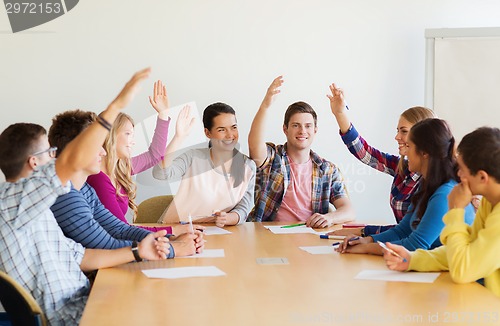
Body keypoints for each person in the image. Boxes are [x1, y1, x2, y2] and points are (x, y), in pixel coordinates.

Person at [0, 68, 170, 325]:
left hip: (85, 299)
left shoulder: (37, 209)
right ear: (34, 163)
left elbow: (82, 256)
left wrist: (139, 251)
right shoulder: (11, 202)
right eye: (50, 153)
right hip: (70, 316)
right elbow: (70, 159)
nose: (55, 157)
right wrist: (115, 107)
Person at [48, 109, 203, 255]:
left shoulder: (89, 188)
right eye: (128, 134)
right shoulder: (79, 190)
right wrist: (172, 246)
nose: (102, 151)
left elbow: (120, 229)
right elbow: (108, 243)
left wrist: (171, 239)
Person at [383, 127, 500, 297]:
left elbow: (462, 270)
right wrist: (412, 260)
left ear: (482, 178)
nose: (458, 174)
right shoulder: (490, 202)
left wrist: (456, 211)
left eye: (462, 170)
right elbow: (464, 250)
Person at [336, 118, 475, 255]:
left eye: (409, 146)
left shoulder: (445, 194)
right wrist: (367, 240)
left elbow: (415, 246)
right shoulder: (426, 185)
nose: (405, 152)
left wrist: (367, 248)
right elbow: (402, 230)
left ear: (425, 153)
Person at [326, 83, 436, 237]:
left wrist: (364, 232)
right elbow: (365, 153)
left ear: (422, 136)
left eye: (404, 131)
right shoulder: (403, 168)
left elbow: (412, 232)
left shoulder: (436, 180)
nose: (397, 137)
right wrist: (340, 113)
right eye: (397, 131)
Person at [247, 76, 354, 227]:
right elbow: (254, 144)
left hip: (309, 236)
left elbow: (348, 210)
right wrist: (265, 105)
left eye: (308, 126)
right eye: (296, 125)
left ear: (315, 130)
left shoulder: (328, 170)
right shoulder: (272, 158)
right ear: (285, 129)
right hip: (269, 238)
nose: (302, 131)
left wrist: (331, 218)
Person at [87, 80, 180, 232]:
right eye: (128, 134)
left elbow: (154, 155)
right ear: (110, 135)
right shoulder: (98, 178)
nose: (133, 142)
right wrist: (173, 231)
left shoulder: (120, 168)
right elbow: (122, 230)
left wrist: (163, 115)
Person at [153, 102, 256, 227]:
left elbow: (244, 207)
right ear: (208, 133)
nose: (230, 135)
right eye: (221, 129)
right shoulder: (193, 157)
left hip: (216, 232)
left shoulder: (248, 167)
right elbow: (161, 174)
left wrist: (228, 218)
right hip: (175, 229)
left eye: (233, 127)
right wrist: (178, 137)